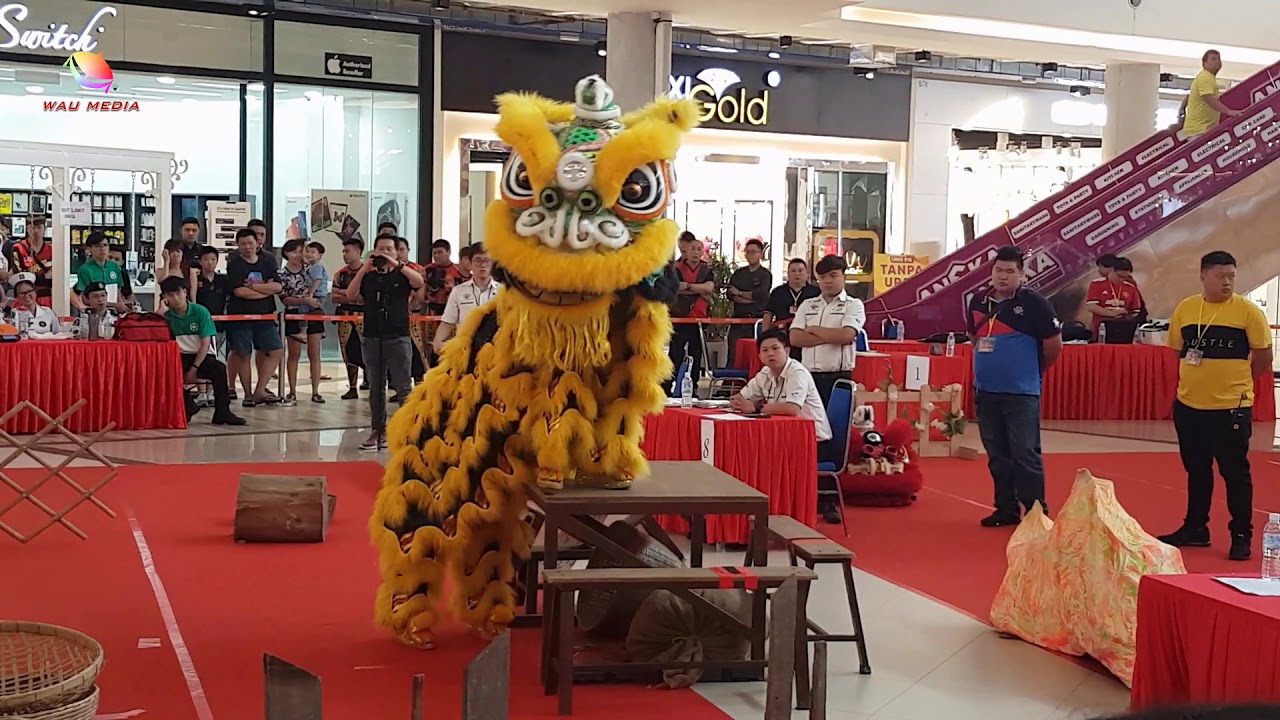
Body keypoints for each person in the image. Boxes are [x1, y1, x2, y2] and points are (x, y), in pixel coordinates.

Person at [1158, 251, 1271, 561]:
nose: (1227, 282)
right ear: (1203, 276)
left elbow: (1263, 358)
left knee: (1235, 472)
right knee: (1197, 470)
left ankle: (1241, 533)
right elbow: (1176, 353)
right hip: (1190, 405)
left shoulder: (1248, 312)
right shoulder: (1186, 308)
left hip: (1230, 408)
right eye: (1220, 276)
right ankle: (1195, 528)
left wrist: (1237, 385)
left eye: (1231, 276)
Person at [967, 245, 1062, 527]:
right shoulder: (978, 302)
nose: (1003, 276)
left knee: (1025, 453)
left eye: (1010, 271)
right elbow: (974, 339)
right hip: (986, 390)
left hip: (1021, 393)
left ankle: (1036, 513)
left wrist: (1032, 371)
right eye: (998, 270)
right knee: (997, 455)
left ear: (1021, 274)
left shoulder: (1035, 303)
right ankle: (1005, 508)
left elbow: (1053, 346)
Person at [731, 328, 841, 523]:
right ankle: (757, 511)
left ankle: (773, 512)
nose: (771, 354)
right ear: (759, 355)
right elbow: (744, 397)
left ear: (787, 350)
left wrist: (756, 407)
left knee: (758, 456)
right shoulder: (765, 373)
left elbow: (791, 409)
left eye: (775, 348)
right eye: (765, 350)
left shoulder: (797, 372)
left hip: (814, 441)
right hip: (785, 438)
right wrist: (738, 401)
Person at [347, 235, 424, 452]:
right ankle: (377, 431)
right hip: (372, 336)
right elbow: (351, 294)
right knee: (376, 386)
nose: (384, 252)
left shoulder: (403, 274)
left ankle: (408, 431)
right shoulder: (369, 277)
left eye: (389, 249)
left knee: (402, 385)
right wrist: (364, 269)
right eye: (380, 248)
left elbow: (419, 283)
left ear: (396, 251)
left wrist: (397, 264)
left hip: (398, 336)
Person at [161, 275, 246, 426]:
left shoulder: (200, 312)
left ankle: (222, 412)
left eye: (178, 293)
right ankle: (187, 405)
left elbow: (205, 344)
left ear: (185, 292)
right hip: (178, 357)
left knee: (219, 369)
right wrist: (160, 313)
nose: (175, 298)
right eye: (170, 295)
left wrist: (195, 368)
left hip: (201, 355)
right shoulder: (166, 317)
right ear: (165, 297)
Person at [789, 254, 865, 404]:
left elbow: (846, 336)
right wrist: (832, 336)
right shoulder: (807, 304)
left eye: (833, 275)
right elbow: (795, 338)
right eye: (822, 277)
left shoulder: (853, 304)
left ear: (844, 276)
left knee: (835, 424)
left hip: (838, 375)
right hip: (808, 375)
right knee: (811, 422)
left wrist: (813, 329)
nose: (827, 281)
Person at [225, 227, 284, 407]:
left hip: (265, 315)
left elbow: (277, 287)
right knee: (243, 353)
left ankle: (260, 389)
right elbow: (239, 291)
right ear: (238, 246)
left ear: (257, 243)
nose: (247, 247)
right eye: (243, 244)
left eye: (250, 243)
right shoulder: (235, 264)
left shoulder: (267, 262)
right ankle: (248, 394)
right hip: (240, 316)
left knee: (276, 350)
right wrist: (264, 289)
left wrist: (253, 287)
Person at [279, 238, 326, 403]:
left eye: (301, 251)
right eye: (294, 252)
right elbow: (285, 299)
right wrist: (304, 300)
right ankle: (291, 390)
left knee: (315, 353)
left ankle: (315, 391)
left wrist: (312, 300)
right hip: (293, 315)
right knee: (294, 354)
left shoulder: (311, 268)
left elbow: (319, 284)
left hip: (314, 312)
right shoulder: (282, 274)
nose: (299, 255)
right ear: (286, 254)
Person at [667, 232, 715, 395]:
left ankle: (693, 386)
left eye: (699, 249)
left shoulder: (706, 269)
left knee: (697, 353)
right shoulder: (676, 267)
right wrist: (697, 288)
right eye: (693, 248)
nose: (695, 252)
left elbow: (709, 289)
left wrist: (687, 286)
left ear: (702, 252)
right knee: (675, 354)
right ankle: (669, 386)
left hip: (699, 318)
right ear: (686, 250)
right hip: (679, 317)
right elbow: (675, 288)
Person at [433, 243, 499, 355]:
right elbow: (448, 321)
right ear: (471, 263)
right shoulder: (459, 291)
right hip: (465, 350)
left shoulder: (503, 292)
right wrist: (437, 341)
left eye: (487, 261)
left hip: (495, 349)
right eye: (478, 260)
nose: (483, 265)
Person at [763, 258, 820, 361]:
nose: (797, 274)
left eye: (800, 271)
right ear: (788, 274)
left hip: (807, 335)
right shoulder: (777, 292)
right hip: (782, 335)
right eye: (793, 271)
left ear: (807, 273)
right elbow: (768, 314)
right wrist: (765, 336)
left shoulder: (816, 293)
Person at [726, 239, 772, 366]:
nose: (751, 254)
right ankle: (732, 383)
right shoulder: (738, 274)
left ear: (761, 254)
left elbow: (761, 295)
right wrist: (750, 298)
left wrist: (740, 293)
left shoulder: (765, 274)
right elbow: (730, 294)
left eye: (754, 251)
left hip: (756, 322)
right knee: (733, 355)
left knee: (756, 355)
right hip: (738, 321)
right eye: (748, 252)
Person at [332, 238, 367, 400]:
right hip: (345, 316)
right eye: (343, 251)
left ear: (358, 252)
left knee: (368, 349)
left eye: (348, 251)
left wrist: (345, 294)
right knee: (346, 350)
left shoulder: (368, 272)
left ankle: (372, 382)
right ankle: (352, 386)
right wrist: (351, 296)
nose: (345, 254)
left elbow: (366, 298)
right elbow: (334, 296)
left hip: (364, 316)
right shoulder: (340, 273)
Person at [1180, 49, 1241, 139]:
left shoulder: (1208, 77)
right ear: (1204, 63)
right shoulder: (1205, 77)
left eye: (1218, 59)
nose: (1217, 62)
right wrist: (1228, 111)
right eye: (1213, 59)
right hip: (1200, 129)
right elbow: (1208, 98)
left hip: (1200, 129)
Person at [1086, 256, 1143, 341]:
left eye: (1125, 277)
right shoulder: (1097, 284)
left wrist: (1126, 314)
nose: (1121, 279)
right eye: (1119, 276)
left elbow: (1135, 311)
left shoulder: (1130, 287)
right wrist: (1111, 313)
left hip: (1123, 329)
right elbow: (1092, 306)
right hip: (1102, 328)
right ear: (1112, 270)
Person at [72, 231, 132, 312]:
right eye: (97, 246)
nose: (102, 249)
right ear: (89, 249)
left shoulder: (114, 266)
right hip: (95, 312)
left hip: (114, 312)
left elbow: (118, 291)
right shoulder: (85, 269)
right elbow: (85, 298)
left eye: (105, 245)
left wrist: (121, 307)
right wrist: (111, 305)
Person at [8, 216, 51, 307]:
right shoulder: (18, 248)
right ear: (27, 229)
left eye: (39, 227)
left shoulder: (52, 250)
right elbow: (19, 275)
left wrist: (31, 274)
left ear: (44, 229)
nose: (35, 231)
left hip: (46, 297)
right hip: (24, 297)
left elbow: (54, 276)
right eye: (32, 227)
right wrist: (44, 276)